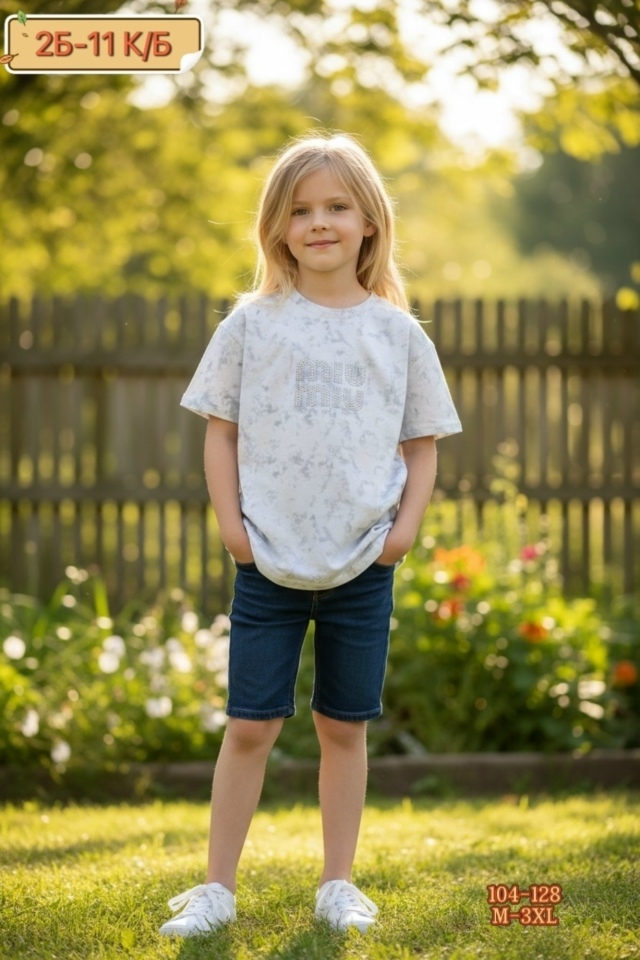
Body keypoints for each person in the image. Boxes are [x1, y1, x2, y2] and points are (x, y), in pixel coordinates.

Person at [159, 132, 462, 938]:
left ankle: (337, 885)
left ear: (369, 222)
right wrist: (234, 529)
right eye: (300, 211)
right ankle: (216, 890)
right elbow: (220, 432)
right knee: (250, 725)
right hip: (267, 558)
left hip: (364, 561)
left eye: (336, 207)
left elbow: (422, 446)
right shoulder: (252, 326)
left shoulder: (398, 334)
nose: (318, 222)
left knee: (342, 727)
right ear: (277, 229)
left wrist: (400, 536)